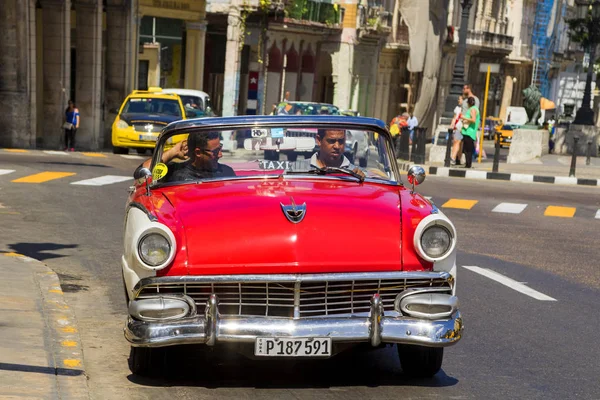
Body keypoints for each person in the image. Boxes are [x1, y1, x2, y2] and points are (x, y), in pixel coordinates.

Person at [135, 132, 236, 182]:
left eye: (220, 148)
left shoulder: (227, 172)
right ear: (198, 152)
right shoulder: (174, 172)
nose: (220, 155)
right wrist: (172, 152)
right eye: (215, 151)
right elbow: (141, 174)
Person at [460, 96, 480, 169]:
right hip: (470, 131)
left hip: (469, 132)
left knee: (467, 149)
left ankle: (468, 164)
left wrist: (463, 117)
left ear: (468, 103)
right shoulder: (475, 109)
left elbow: (473, 120)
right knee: (467, 149)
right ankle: (468, 164)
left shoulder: (472, 109)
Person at [450, 96, 464, 165]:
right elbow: (454, 118)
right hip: (457, 127)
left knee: (459, 143)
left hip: (463, 127)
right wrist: (452, 125)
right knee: (456, 142)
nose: (458, 100)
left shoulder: (466, 109)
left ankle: (457, 158)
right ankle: (454, 158)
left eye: (460, 99)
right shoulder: (457, 108)